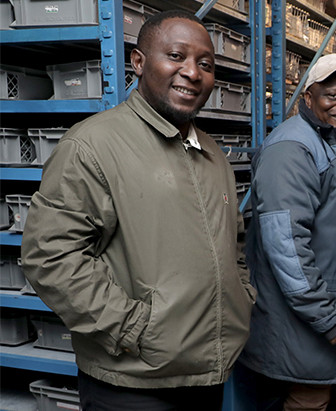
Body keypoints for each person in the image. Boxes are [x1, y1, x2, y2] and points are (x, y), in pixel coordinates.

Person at [20, 10, 255, 410]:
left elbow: (233, 245)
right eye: (176, 56)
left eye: (205, 64)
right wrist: (134, 330)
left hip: (206, 373)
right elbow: (51, 257)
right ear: (139, 62)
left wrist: (242, 297)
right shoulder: (92, 145)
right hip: (132, 384)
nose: (192, 72)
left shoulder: (214, 155)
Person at [237, 53, 336, 411]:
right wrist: (326, 315)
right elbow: (286, 246)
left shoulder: (332, 141)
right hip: (305, 325)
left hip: (319, 322)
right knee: (307, 402)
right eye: (332, 95)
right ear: (307, 97)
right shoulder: (292, 148)